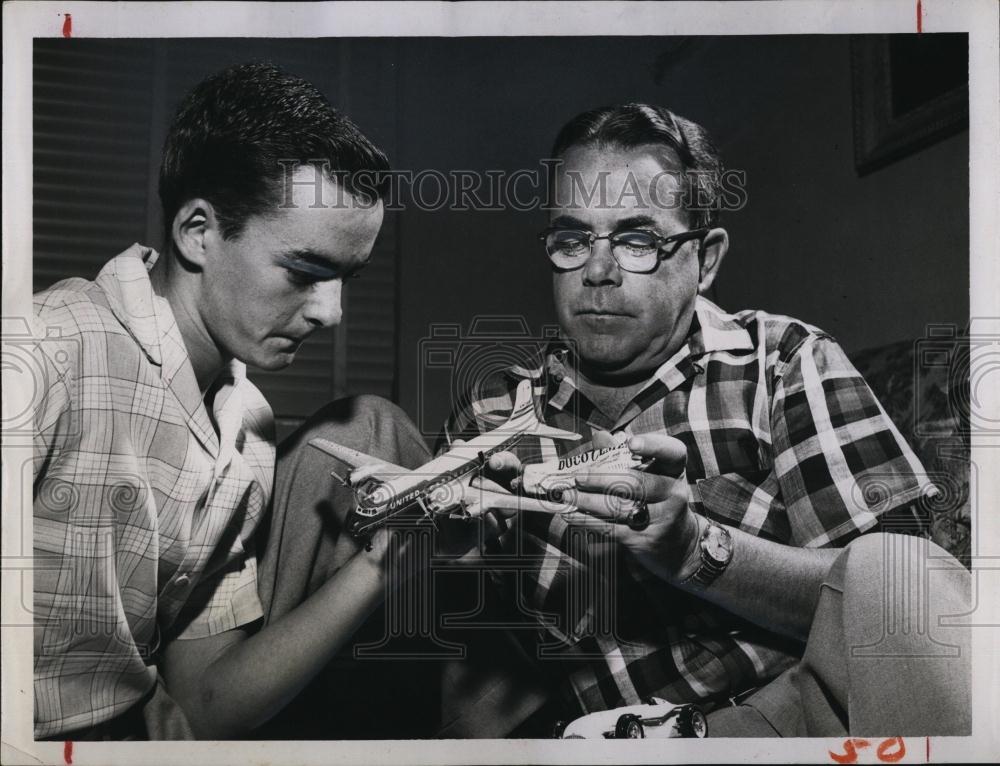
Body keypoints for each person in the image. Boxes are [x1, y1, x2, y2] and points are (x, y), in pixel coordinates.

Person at [437, 103, 971, 737]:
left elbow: (909, 605)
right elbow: (476, 692)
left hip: (800, 723)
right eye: (573, 239)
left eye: (637, 240)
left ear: (707, 258)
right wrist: (456, 573)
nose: (598, 272)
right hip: (605, 742)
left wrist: (697, 550)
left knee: (895, 574)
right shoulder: (492, 417)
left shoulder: (784, 362)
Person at [32, 62, 431, 740]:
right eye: (305, 272)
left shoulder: (248, 427)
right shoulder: (49, 349)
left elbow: (206, 700)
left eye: (346, 279)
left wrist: (383, 565)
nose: (332, 313)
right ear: (197, 231)